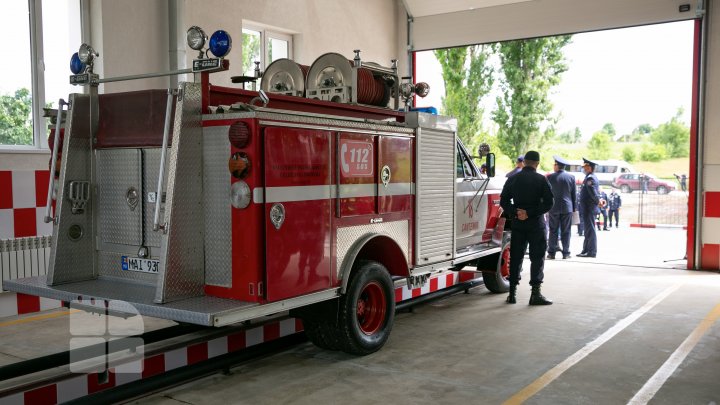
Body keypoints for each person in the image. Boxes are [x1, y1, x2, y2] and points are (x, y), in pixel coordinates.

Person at [500, 150, 554, 305]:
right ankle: (535, 295)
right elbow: (549, 203)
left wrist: (515, 212)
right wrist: (530, 213)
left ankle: (512, 294)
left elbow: (503, 200)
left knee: (516, 256)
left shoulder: (513, 178)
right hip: (536, 224)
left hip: (518, 224)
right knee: (537, 258)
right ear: (537, 164)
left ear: (524, 162)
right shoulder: (541, 180)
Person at [546, 155, 576, 260]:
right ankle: (566, 253)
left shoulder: (550, 177)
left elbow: (547, 194)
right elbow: (574, 195)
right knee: (566, 231)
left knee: (553, 230)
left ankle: (551, 253)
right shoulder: (571, 177)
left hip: (553, 208)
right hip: (567, 208)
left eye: (554, 164)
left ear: (557, 166)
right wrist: (574, 208)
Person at [577, 158, 601, 258]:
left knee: (590, 230)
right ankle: (585, 250)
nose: (584, 168)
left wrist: (598, 201)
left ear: (590, 167)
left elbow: (593, 193)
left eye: (585, 167)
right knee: (587, 230)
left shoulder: (590, 178)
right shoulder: (588, 177)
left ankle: (591, 252)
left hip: (589, 208)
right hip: (587, 208)